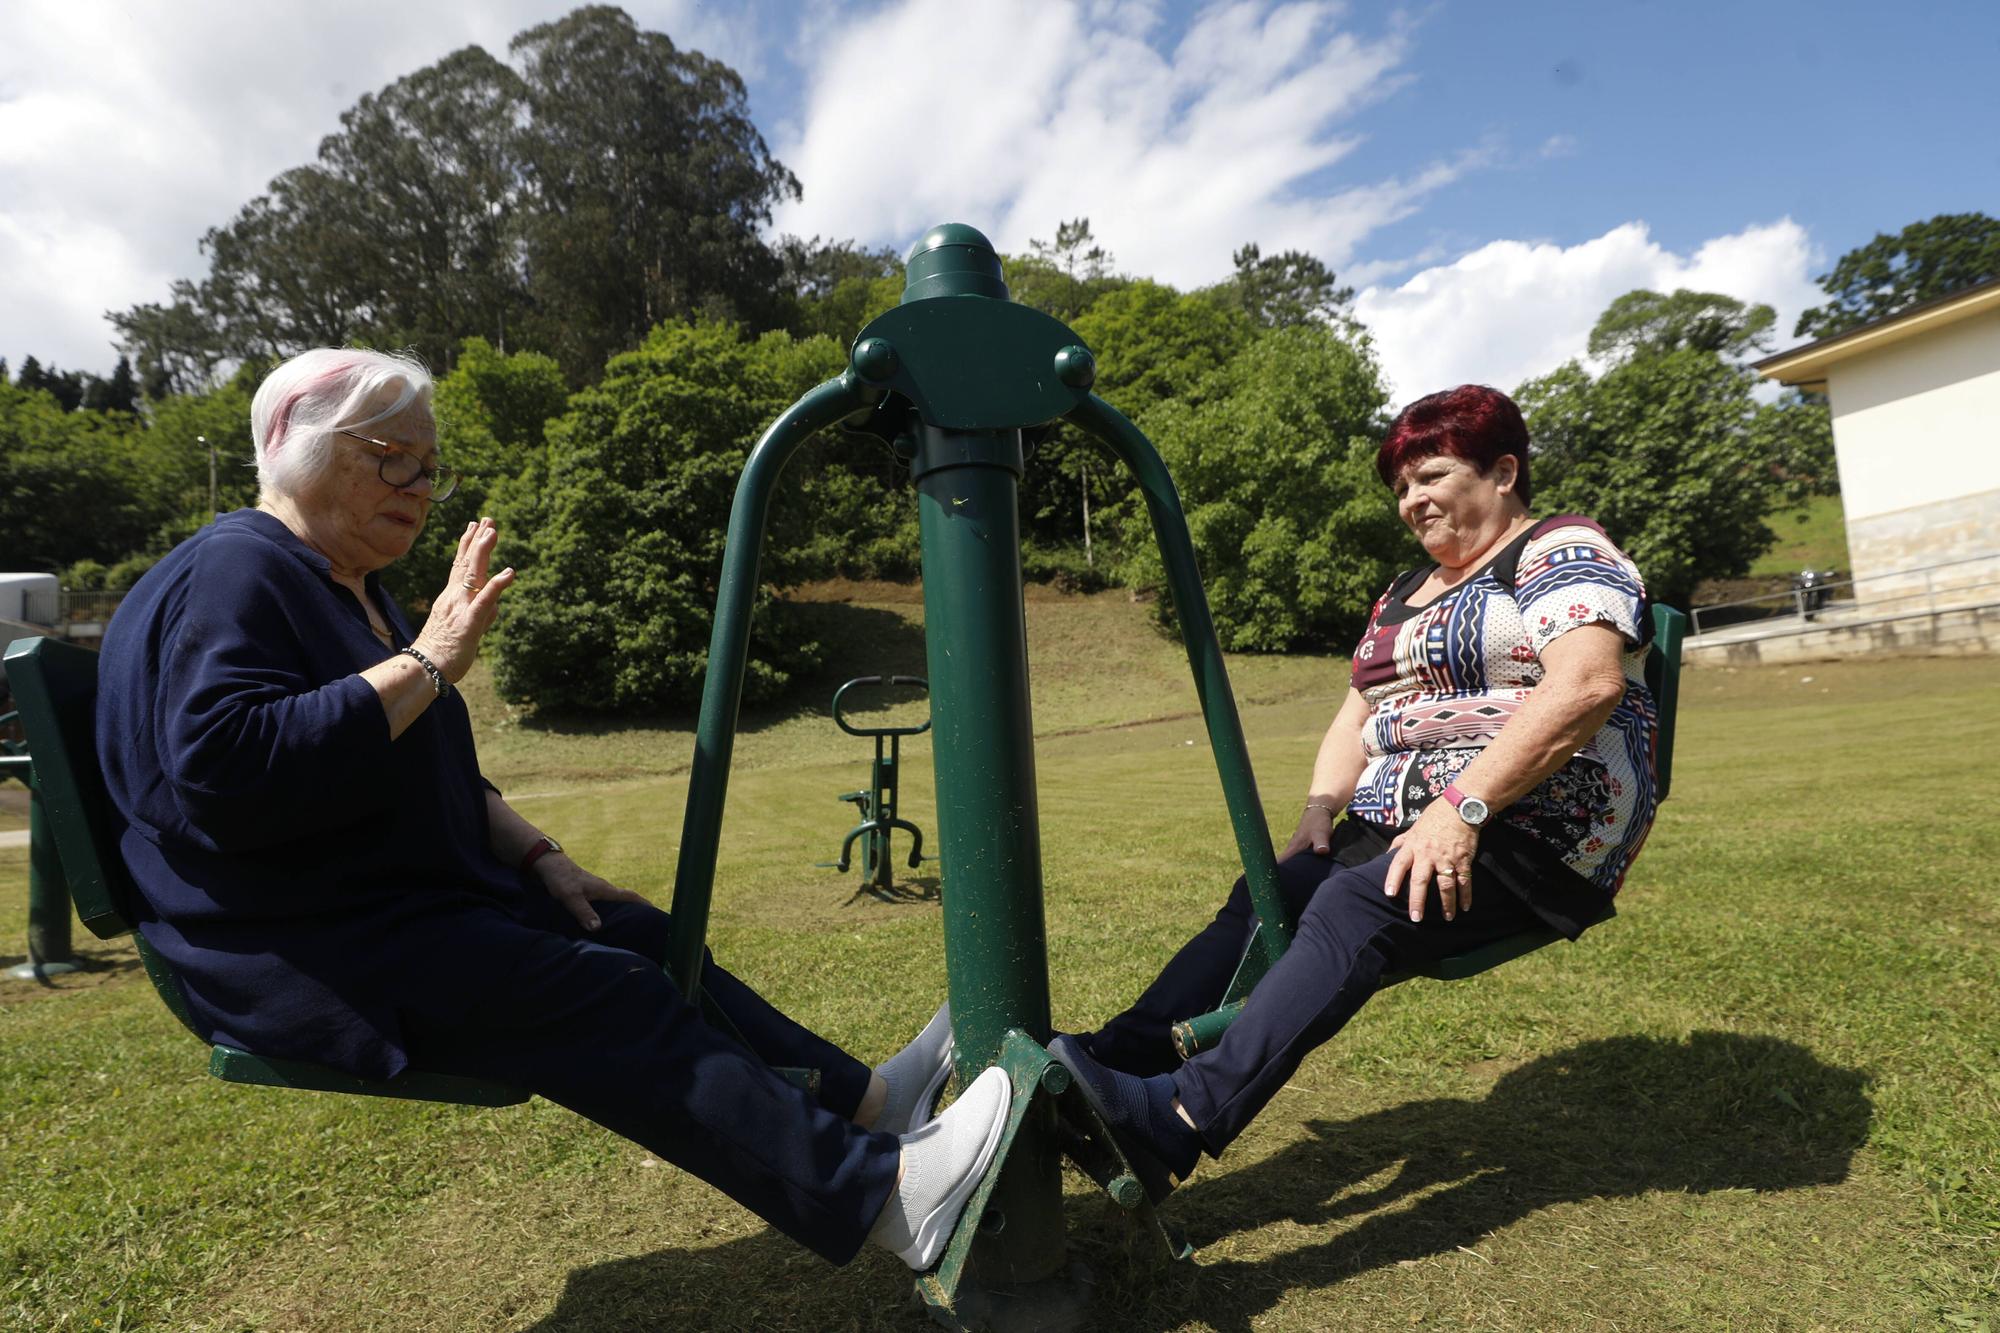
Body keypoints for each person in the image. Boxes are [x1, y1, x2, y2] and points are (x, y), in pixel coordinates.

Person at [96, 347, 1008, 1271]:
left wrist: (537, 854)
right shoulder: (239, 569)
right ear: (296, 444)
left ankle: (869, 1104)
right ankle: (885, 1196)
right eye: (390, 455)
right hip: (296, 945)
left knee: (635, 932)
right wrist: (428, 659)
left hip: (384, 907)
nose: (417, 483)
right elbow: (225, 767)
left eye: (428, 464)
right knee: (599, 992)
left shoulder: (352, 587)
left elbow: (422, 761)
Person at [1050, 384, 1659, 1202]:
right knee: (1272, 892)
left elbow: (1587, 684)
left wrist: (1463, 806)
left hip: (1532, 827)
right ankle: (1117, 1061)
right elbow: (1356, 711)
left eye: (1432, 475)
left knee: (1353, 908)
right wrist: (1317, 811)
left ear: (1504, 471)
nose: (1412, 500)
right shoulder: (1406, 589)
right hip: (1406, 820)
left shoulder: (1557, 549)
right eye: (1402, 486)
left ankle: (1176, 1122)